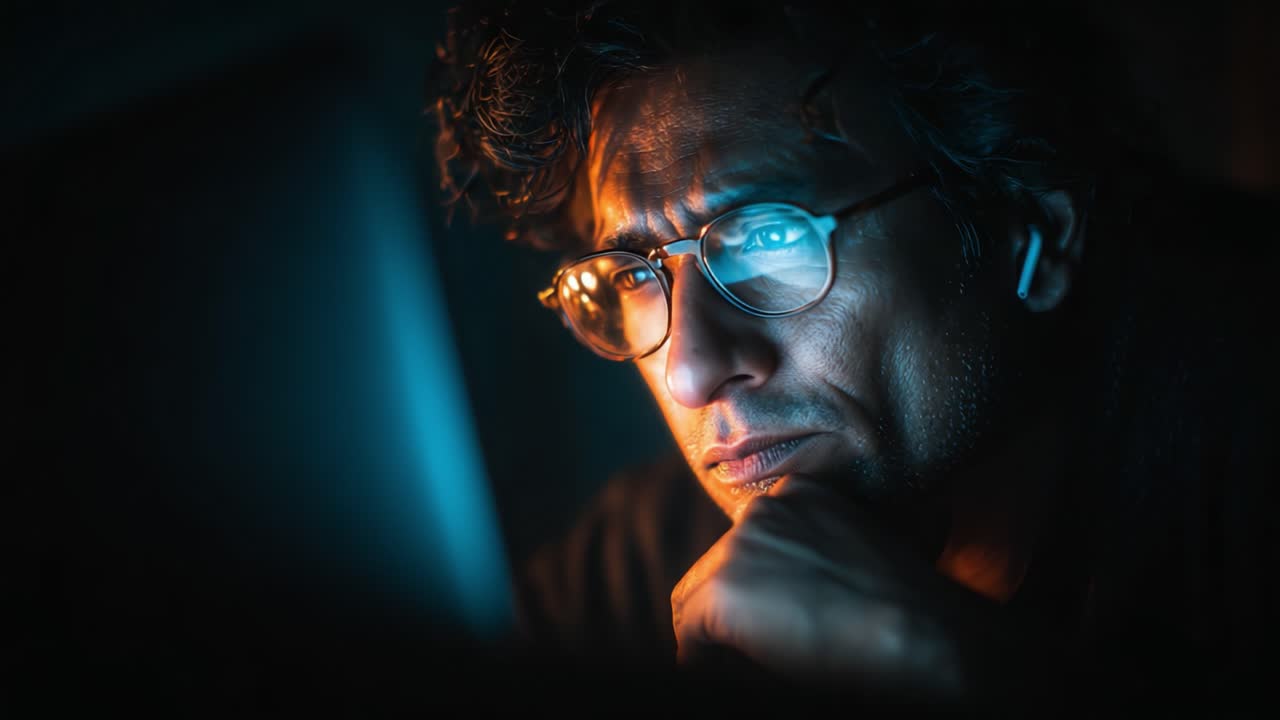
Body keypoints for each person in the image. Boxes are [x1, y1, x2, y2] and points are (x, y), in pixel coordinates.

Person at [426, 0, 1276, 709]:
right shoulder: (638, 566)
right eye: (634, 277)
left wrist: (943, 665)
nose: (690, 371)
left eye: (767, 239)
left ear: (1033, 235)